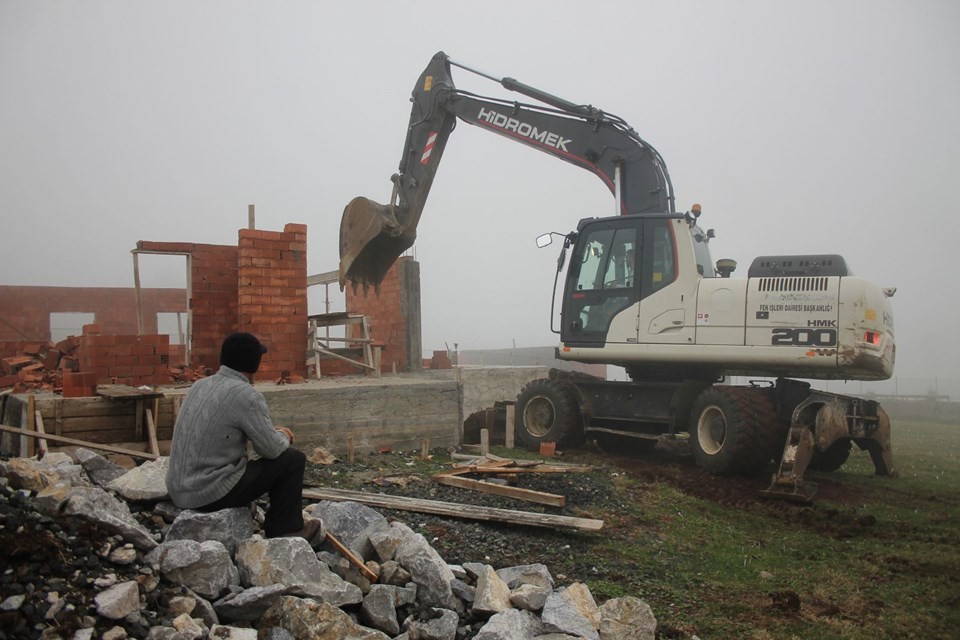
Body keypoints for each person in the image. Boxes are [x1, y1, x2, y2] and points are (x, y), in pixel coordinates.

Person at [165, 332, 320, 542]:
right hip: (207, 494)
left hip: (178, 490)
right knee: (292, 460)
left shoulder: (199, 385)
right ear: (254, 362)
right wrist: (283, 434)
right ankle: (286, 530)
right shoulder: (246, 395)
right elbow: (271, 449)